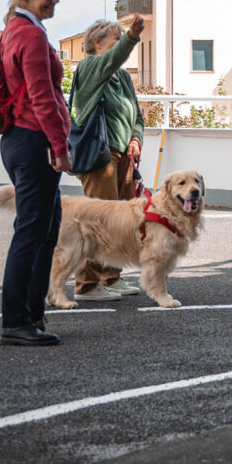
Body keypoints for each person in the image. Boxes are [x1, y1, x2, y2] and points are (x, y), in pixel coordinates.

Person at [0, 0, 71, 347]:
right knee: (31, 232)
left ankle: (31, 314)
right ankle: (16, 321)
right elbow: (43, 98)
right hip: (33, 141)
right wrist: (59, 147)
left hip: (18, 140)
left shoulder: (14, 30)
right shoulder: (31, 36)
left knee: (45, 229)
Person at [67, 16, 147, 302]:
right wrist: (133, 36)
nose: (121, 43)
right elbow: (113, 58)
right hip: (101, 156)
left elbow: (136, 115)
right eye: (116, 38)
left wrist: (136, 139)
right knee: (97, 221)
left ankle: (110, 278)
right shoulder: (89, 67)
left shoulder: (122, 77)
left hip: (123, 155)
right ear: (98, 42)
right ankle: (86, 284)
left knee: (118, 223)